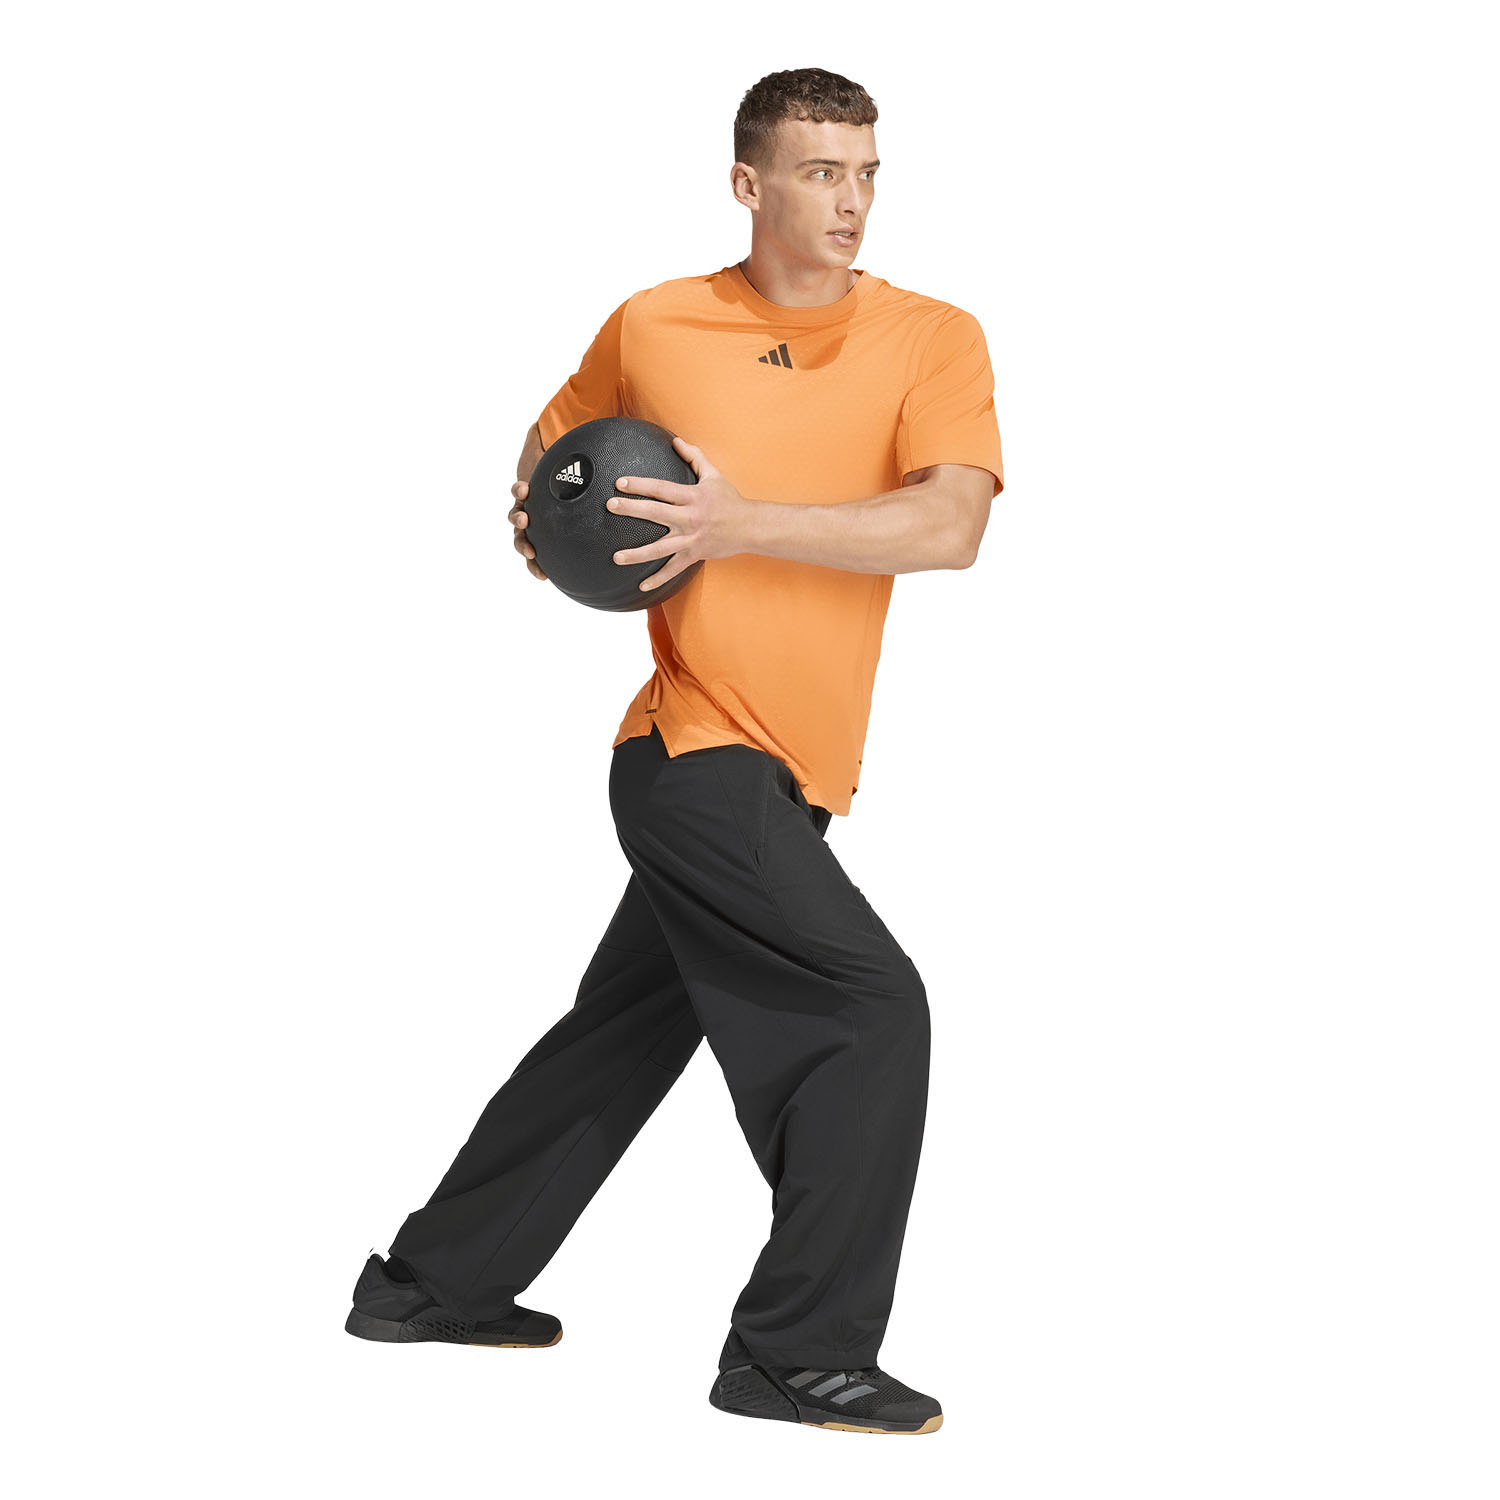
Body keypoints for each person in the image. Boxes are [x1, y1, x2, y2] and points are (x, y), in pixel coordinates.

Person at [345, 67, 1004, 1437]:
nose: (852, 200)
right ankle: (795, 1350)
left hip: (793, 769)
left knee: (622, 1030)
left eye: (867, 173)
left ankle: (432, 1284)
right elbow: (555, 455)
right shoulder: (657, 322)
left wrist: (735, 523)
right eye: (820, 172)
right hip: (695, 754)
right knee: (872, 1009)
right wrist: (551, 531)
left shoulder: (932, 338)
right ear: (749, 183)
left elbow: (950, 528)